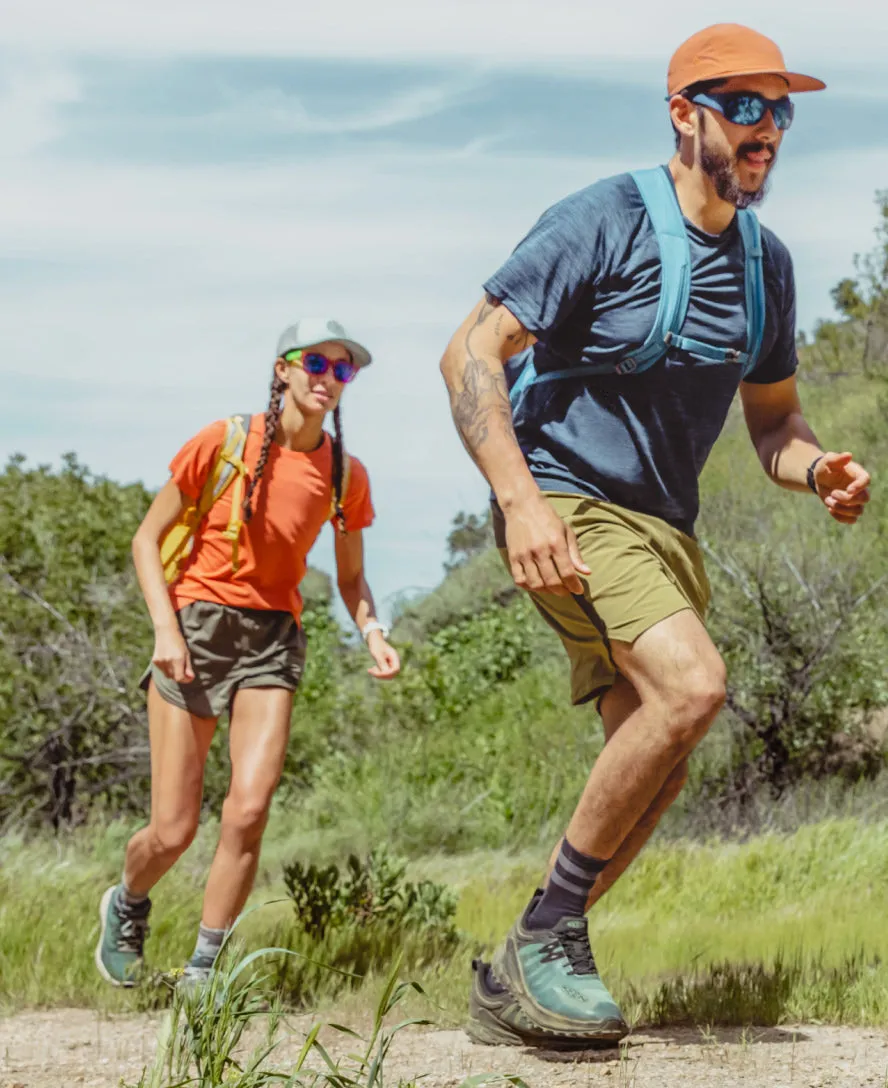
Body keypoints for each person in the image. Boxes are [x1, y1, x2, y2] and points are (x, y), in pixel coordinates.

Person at [440, 24, 872, 1046]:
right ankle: (550, 934)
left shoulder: (767, 267)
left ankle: (521, 974)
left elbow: (773, 421)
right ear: (685, 113)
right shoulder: (603, 219)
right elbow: (469, 353)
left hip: (662, 525)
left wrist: (819, 470)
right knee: (694, 685)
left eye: (783, 111)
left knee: (662, 751)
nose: (767, 130)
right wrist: (520, 500)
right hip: (569, 501)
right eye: (746, 106)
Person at [95, 318, 400, 988]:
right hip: (196, 630)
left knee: (249, 808)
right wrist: (165, 633)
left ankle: (204, 971)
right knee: (172, 830)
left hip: (271, 640)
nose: (328, 378)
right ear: (282, 370)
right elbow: (148, 541)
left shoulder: (345, 474)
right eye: (316, 363)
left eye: (343, 370)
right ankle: (128, 901)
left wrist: (373, 631)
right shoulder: (225, 441)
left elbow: (350, 578)